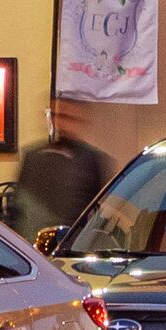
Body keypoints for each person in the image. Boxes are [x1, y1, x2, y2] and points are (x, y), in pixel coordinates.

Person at [10, 98, 112, 238]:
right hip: (31, 241)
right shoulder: (33, 157)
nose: (63, 124)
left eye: (69, 117)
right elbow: (18, 206)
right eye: (58, 116)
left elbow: (97, 209)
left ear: (80, 119)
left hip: (70, 241)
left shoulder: (91, 160)